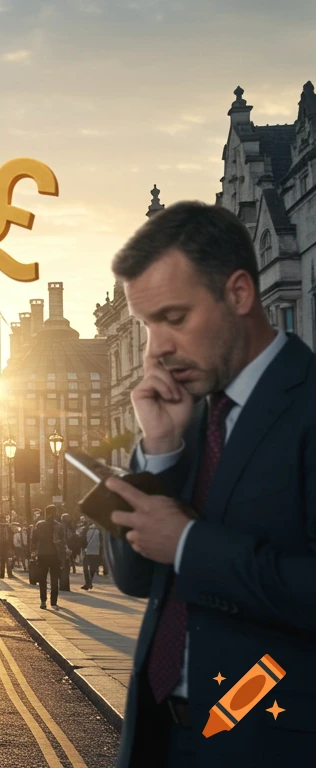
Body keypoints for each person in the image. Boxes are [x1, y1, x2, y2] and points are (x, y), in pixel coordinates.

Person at [103, 201, 315, 766]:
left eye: (174, 318)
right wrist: (158, 451)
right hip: (161, 739)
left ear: (239, 294)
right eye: (148, 327)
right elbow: (132, 576)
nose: (157, 350)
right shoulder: (189, 418)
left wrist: (191, 546)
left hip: (269, 744)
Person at [31, 506, 66, 609]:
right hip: (55, 556)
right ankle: (54, 602)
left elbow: (33, 540)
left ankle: (43, 601)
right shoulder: (59, 526)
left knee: (42, 579)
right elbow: (63, 542)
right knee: (54, 579)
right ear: (54, 513)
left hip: (42, 555)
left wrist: (33, 553)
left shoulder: (39, 525)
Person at [81, 520, 103, 591]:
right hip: (96, 552)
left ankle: (88, 582)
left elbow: (82, 540)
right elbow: (102, 542)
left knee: (85, 568)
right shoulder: (100, 530)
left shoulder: (85, 529)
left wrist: (82, 549)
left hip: (87, 551)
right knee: (92, 568)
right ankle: (89, 582)